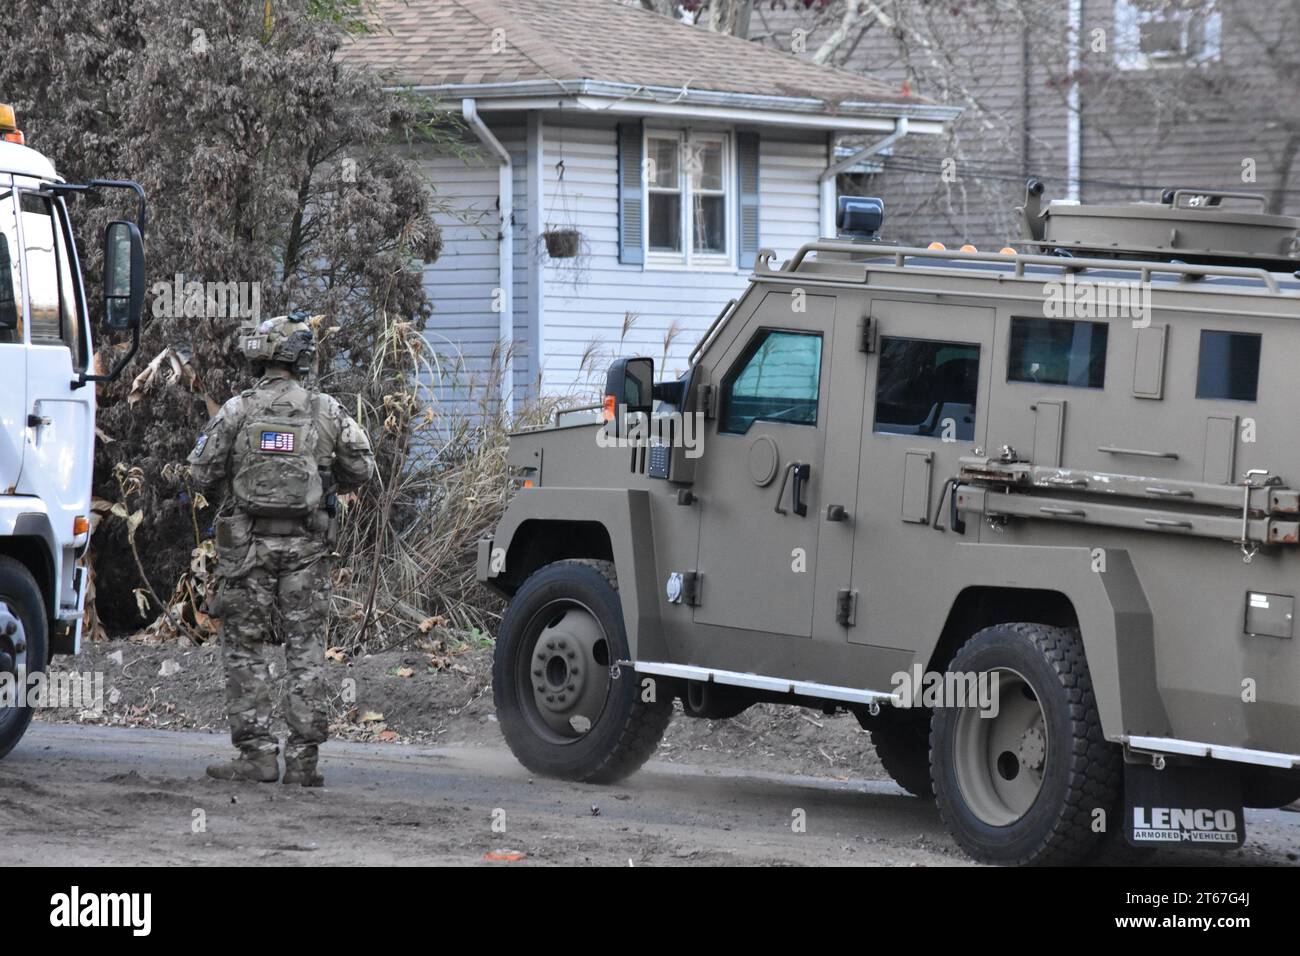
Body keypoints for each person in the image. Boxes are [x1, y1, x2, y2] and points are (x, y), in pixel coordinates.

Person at [188, 315, 374, 786]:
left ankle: (257, 756)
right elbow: (362, 468)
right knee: (305, 651)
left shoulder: (236, 410)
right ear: (302, 359)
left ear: (261, 356)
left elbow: (201, 472)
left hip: (247, 548)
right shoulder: (326, 410)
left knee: (245, 648)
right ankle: (303, 764)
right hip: (307, 548)